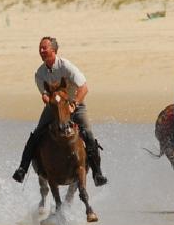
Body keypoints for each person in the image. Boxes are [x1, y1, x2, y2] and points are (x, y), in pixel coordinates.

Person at [11, 37, 107, 186]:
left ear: (54, 51)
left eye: (44, 48)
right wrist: (47, 97)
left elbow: (84, 88)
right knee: (37, 133)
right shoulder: (39, 73)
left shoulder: (66, 66)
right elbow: (44, 94)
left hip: (75, 105)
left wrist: (74, 104)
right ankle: (22, 169)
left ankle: (97, 173)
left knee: (88, 133)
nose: (41, 51)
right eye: (40, 48)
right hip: (54, 107)